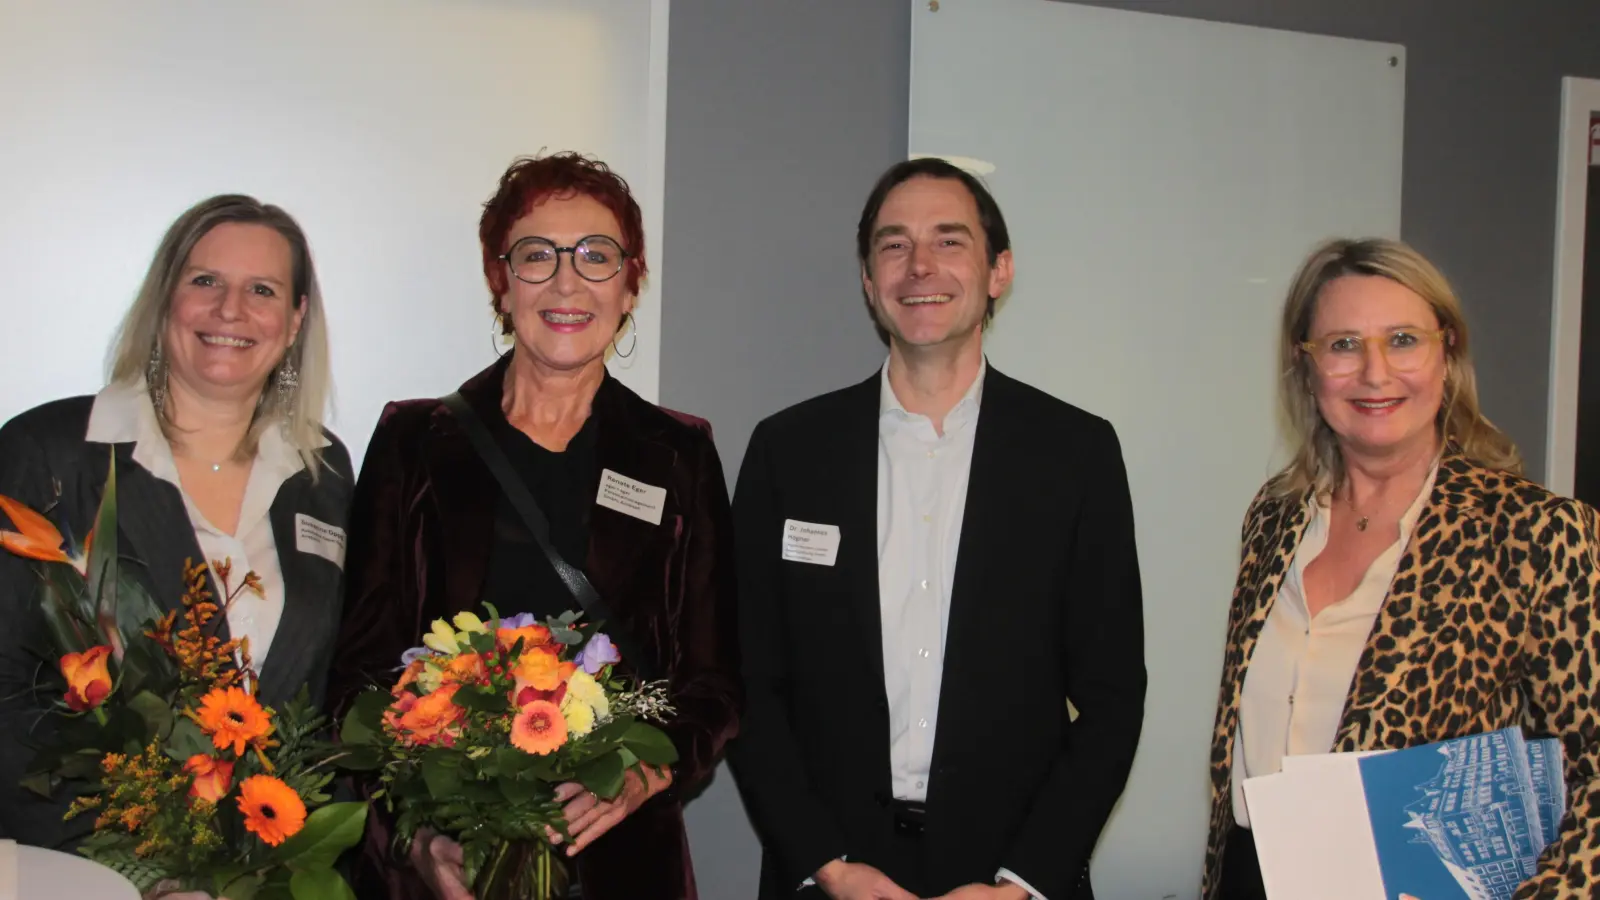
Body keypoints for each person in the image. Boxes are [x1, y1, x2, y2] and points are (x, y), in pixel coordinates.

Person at [729, 157, 1146, 900]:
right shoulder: (788, 452)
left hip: (1008, 875)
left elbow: (1113, 699)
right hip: (835, 874)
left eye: (949, 241)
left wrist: (1024, 881)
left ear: (999, 270)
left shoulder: (1075, 454)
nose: (919, 265)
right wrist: (826, 864)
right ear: (868, 279)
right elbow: (748, 683)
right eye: (893, 245)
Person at [328, 151, 740, 900]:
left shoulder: (679, 455)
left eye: (596, 255)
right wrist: (416, 837)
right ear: (500, 279)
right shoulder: (414, 442)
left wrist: (642, 774)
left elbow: (713, 682)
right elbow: (356, 680)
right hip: (443, 865)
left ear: (631, 280)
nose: (566, 282)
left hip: (622, 862)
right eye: (536, 255)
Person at [1202, 238, 1600, 899]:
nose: (1375, 373)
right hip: (1251, 875)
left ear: (1447, 354)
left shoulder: (1536, 534)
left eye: (1403, 340)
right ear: (1306, 367)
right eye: (1343, 345)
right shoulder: (1273, 518)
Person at [0, 195, 351, 862]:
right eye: (205, 281)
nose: (230, 310)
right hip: (81, 868)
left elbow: (321, 690)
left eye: (263, 290)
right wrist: (140, 863)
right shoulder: (50, 454)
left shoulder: (323, 473)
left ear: (295, 318)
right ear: (166, 299)